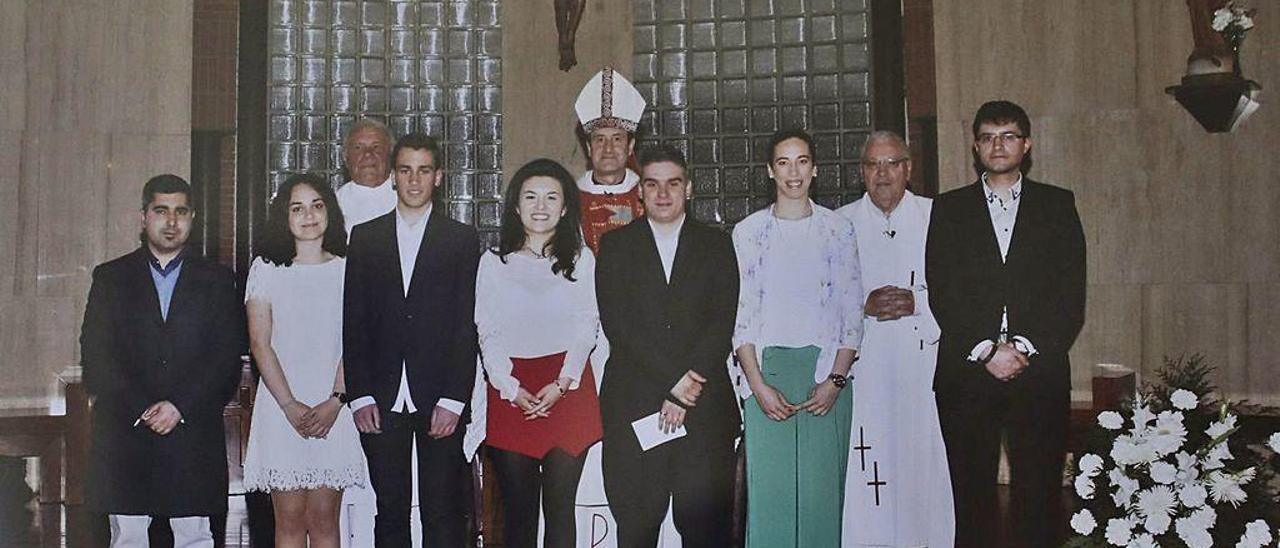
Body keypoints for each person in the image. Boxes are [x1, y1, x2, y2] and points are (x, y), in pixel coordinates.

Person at [926, 100, 1086, 547]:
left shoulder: (1057, 204)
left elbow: (1070, 294)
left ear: (1027, 144)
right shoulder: (949, 208)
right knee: (971, 497)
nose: (999, 145)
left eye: (1009, 135)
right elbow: (943, 291)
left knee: (1037, 497)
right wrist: (985, 350)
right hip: (967, 372)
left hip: (1038, 372)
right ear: (976, 147)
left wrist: (1023, 347)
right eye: (989, 137)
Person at [80, 174, 245, 547]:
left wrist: (179, 406)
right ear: (143, 217)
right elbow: (96, 355)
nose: (171, 222)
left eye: (180, 211)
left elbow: (225, 358)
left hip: (191, 432)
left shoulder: (218, 280)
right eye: (161, 211)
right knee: (128, 538)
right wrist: (143, 407)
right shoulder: (110, 278)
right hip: (127, 433)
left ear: (192, 217)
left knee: (195, 538)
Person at [596, 146, 740, 547]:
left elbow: (721, 323)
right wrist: (674, 385)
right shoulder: (615, 247)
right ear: (639, 192)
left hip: (704, 412)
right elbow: (619, 327)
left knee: (705, 532)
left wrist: (686, 387)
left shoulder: (717, 245)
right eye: (653, 184)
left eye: (673, 183)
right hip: (637, 407)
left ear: (688, 188)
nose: (662, 193)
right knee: (638, 529)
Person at [343, 133, 480, 546]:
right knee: (390, 511)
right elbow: (355, 321)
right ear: (393, 177)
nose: (414, 180)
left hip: (440, 397)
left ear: (438, 177)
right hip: (381, 397)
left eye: (424, 170)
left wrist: (455, 399)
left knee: (442, 511)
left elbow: (465, 325)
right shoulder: (365, 238)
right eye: (405, 170)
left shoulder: (461, 239)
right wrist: (361, 394)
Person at [732, 128, 863, 547]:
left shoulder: (838, 230)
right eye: (784, 162)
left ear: (815, 169)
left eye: (802, 161)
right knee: (771, 500)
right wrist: (758, 387)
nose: (794, 172)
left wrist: (835, 382)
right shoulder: (748, 233)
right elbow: (741, 319)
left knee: (820, 499)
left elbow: (851, 314)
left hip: (825, 375)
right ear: (770, 170)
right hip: (766, 374)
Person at [475, 159, 603, 548]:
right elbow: (488, 331)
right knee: (519, 514)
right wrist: (510, 388)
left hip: (568, 386)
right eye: (531, 196)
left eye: (551, 197)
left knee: (561, 512)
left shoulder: (581, 259)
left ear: (565, 208)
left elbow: (587, 325)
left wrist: (562, 383)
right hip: (511, 391)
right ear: (516, 206)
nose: (541, 205)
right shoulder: (494, 263)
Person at [836, 131, 953, 547]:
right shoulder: (840, 223)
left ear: (908, 168)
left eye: (891, 164)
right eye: (872, 165)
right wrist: (861, 305)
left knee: (921, 462)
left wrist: (917, 302)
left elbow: (962, 293)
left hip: (922, 366)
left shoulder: (938, 217)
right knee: (867, 464)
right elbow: (825, 298)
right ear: (862, 172)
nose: (882, 174)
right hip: (866, 369)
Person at [242, 174, 367, 547]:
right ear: (285, 216)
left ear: (330, 212)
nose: (308, 215)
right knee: (291, 521)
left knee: (325, 520)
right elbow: (260, 344)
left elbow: (357, 341)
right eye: (297, 208)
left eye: (316, 205)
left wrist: (336, 400)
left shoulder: (349, 269)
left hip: (335, 407)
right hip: (283, 407)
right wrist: (289, 405)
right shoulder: (266, 269)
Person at [573, 66, 647, 254]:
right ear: (589, 148)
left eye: (617, 139)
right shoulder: (570, 198)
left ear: (630, 147)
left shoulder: (648, 195)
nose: (608, 148)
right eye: (599, 139)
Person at [335, 118, 396, 235]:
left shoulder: (408, 198)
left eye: (376, 147)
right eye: (358, 148)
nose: (368, 154)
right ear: (345, 158)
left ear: (391, 154)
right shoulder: (334, 206)